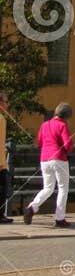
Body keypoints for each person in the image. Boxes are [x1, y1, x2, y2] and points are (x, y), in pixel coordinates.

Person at [23, 103, 74, 227]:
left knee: (47, 188)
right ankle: (59, 218)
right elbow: (68, 144)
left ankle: (32, 207)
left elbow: (40, 141)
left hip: (44, 159)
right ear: (67, 116)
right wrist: (68, 148)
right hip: (59, 159)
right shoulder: (62, 125)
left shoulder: (45, 125)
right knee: (63, 188)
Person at [0, 93, 11, 225]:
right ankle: (0, 215)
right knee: (3, 189)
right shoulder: (1, 119)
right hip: (0, 162)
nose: (7, 105)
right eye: (6, 102)